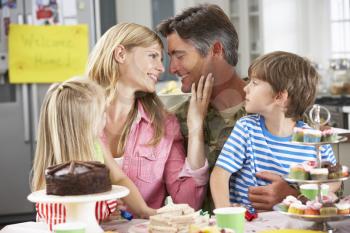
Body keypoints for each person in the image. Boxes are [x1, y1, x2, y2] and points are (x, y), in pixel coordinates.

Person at [86, 22, 212, 210]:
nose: (162, 68)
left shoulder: (164, 124)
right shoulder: (78, 115)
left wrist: (195, 129)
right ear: (120, 54)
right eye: (153, 56)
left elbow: (188, 202)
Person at [210, 51, 339, 210]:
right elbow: (219, 176)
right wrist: (226, 217)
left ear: (279, 97)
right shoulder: (246, 128)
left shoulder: (315, 139)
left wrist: (306, 196)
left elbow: (334, 180)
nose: (246, 88)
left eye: (254, 83)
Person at [31, 78, 155, 230]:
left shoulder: (97, 145)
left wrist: (142, 210)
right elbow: (65, 218)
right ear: (84, 124)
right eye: (102, 113)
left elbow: (119, 178)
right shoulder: (54, 174)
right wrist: (103, 207)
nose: (105, 118)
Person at [157, 4, 246, 212]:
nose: (172, 68)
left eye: (179, 56)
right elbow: (184, 203)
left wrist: (290, 192)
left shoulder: (274, 105)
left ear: (216, 50)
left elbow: (318, 175)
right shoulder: (177, 120)